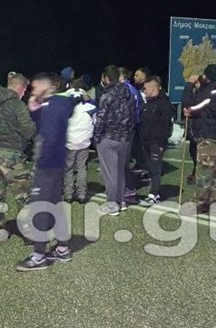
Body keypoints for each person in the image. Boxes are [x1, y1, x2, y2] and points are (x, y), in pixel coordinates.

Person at [16, 72, 76, 271]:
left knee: (39, 209)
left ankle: (39, 256)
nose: (32, 91)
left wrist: (42, 163)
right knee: (55, 206)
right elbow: (45, 125)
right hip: (56, 164)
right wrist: (34, 110)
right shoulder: (54, 104)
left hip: (48, 165)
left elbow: (49, 136)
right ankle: (63, 248)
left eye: (34, 87)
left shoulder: (53, 106)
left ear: (47, 86)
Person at [0, 73, 36, 242]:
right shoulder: (18, 105)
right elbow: (28, 131)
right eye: (25, 90)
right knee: (23, 195)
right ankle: (29, 233)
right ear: (21, 87)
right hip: (12, 154)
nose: (24, 93)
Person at [183, 65, 216, 212]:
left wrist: (189, 85)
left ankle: (200, 202)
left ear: (207, 77)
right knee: (211, 169)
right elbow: (203, 107)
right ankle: (212, 200)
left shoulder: (210, 91)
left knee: (203, 170)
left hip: (208, 132)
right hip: (215, 132)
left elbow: (190, 104)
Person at [93, 65, 135, 216]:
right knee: (120, 171)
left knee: (110, 173)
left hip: (109, 137)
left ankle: (112, 203)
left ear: (106, 78)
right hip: (125, 138)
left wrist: (97, 137)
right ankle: (121, 200)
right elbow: (133, 115)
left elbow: (101, 118)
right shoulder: (129, 93)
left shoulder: (107, 95)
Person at [138, 77, 173, 206]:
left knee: (156, 168)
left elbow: (167, 125)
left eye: (145, 88)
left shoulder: (163, 103)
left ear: (153, 88)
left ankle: (154, 194)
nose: (144, 91)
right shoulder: (149, 103)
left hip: (156, 142)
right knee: (151, 168)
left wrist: (162, 143)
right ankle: (153, 192)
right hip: (147, 142)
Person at [63, 80, 97, 203]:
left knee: (68, 168)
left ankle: (68, 194)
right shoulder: (91, 106)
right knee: (82, 167)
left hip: (69, 141)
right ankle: (82, 194)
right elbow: (95, 122)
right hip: (84, 141)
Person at [181, 72, 203, 184]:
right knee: (193, 151)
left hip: (200, 128)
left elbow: (188, 102)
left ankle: (198, 174)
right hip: (193, 127)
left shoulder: (204, 93)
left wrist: (189, 85)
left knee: (199, 152)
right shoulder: (196, 92)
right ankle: (196, 171)